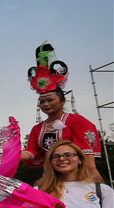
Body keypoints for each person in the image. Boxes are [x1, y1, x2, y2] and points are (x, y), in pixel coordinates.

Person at [20, 43, 101, 181]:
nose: (45, 104)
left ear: (63, 101)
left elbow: (89, 164)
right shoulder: (38, 128)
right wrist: (9, 154)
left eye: (50, 100)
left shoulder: (77, 122)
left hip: (77, 178)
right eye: (42, 101)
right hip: (50, 179)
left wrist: (97, 188)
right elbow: (32, 152)